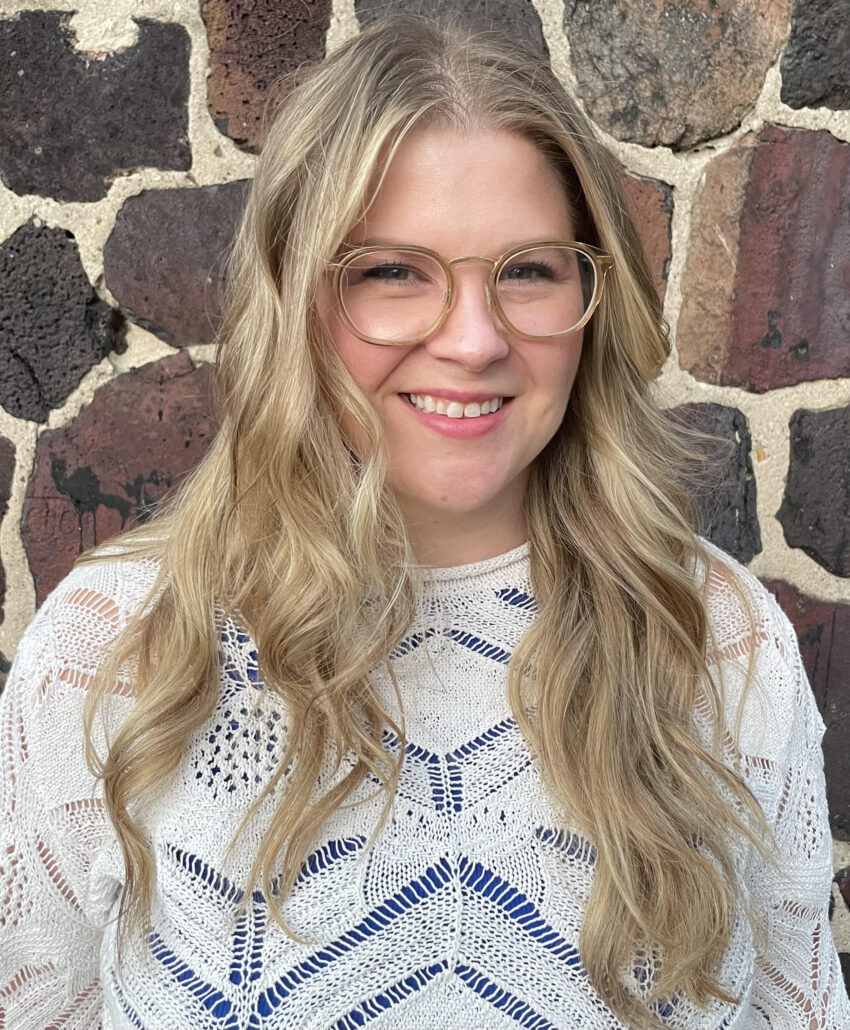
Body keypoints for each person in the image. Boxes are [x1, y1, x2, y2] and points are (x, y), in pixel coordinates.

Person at [1, 13, 847, 1030]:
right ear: (293, 298)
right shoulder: (113, 651)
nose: (475, 340)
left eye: (528, 270)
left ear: (594, 294)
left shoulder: (718, 640)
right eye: (393, 272)